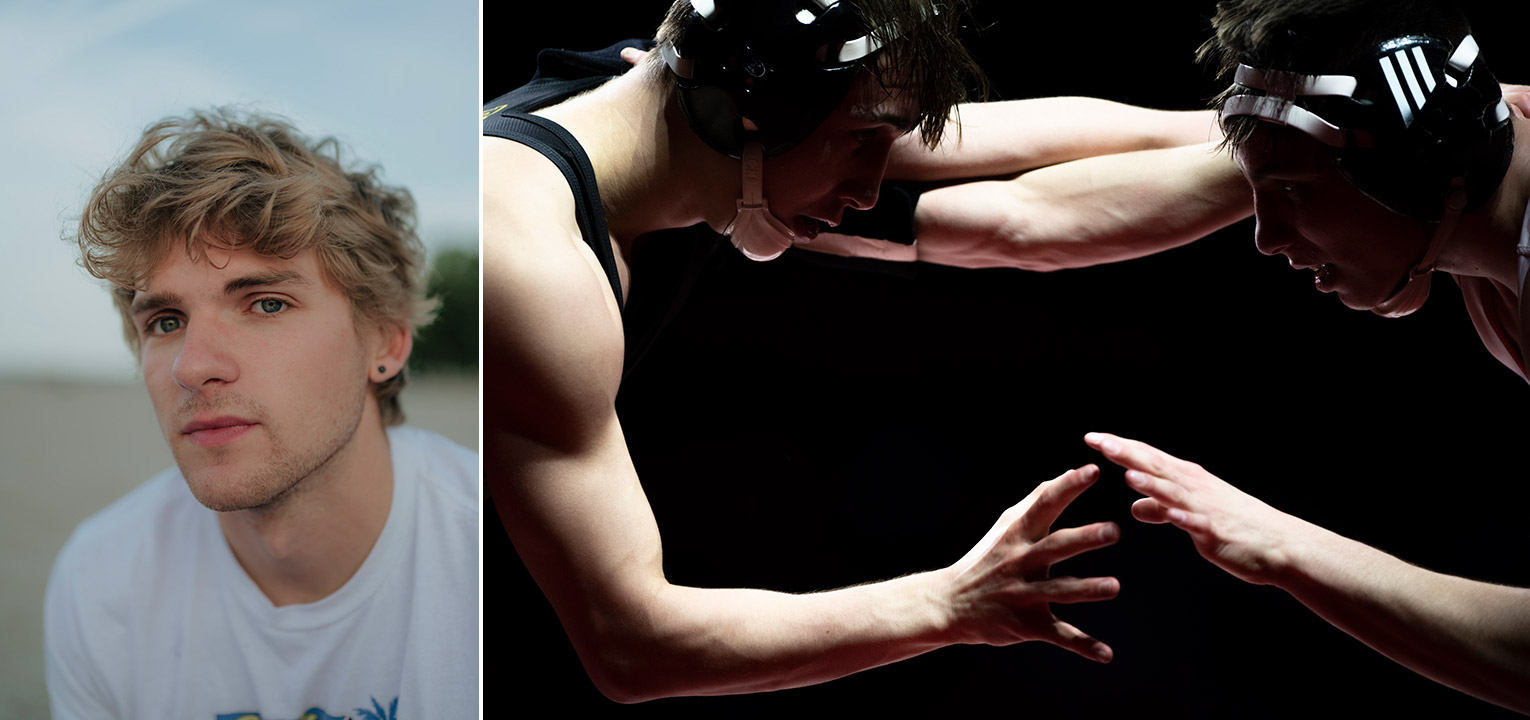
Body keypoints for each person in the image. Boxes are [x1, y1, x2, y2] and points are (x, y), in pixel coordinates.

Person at [484, 0, 1251, 702]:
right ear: (753, 104)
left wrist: (1272, 138)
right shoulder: (520, 256)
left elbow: (1022, 205)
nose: (870, 186)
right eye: (861, 140)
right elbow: (632, 644)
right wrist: (946, 604)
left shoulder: (670, 104)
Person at [1085, 0, 1530, 713]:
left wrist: (1279, 546)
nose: (1264, 236)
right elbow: (1044, 212)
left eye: (1291, 191)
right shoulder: (1474, 150)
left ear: (1423, 166)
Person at [45, 109, 478, 719]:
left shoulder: (492, 550)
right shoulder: (102, 583)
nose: (192, 367)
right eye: (166, 322)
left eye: (266, 304)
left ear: (385, 342)